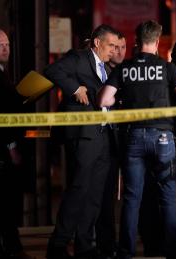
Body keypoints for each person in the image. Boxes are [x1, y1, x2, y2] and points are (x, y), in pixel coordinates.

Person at [98, 20, 176, 259]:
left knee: (132, 197)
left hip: (133, 138)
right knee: (168, 194)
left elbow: (104, 100)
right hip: (163, 137)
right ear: (157, 41)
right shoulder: (166, 68)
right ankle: (172, 250)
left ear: (137, 41)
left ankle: (126, 252)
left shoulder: (125, 68)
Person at [44, 24, 119, 259]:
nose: (114, 51)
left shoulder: (106, 68)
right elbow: (52, 70)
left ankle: (85, 245)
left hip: (104, 136)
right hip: (84, 136)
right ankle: (58, 244)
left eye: (117, 47)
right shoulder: (79, 58)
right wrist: (74, 88)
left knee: (95, 194)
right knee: (79, 189)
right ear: (97, 43)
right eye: (111, 46)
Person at [0, 29, 31, 259]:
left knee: (5, 203)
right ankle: (4, 249)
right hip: (3, 150)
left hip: (4, 148)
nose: (6, 49)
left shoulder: (1, 72)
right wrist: (12, 147)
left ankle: (6, 248)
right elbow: (2, 115)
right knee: (4, 202)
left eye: (7, 44)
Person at [95, 32, 127, 259]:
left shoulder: (126, 73)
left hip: (122, 141)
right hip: (100, 140)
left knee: (121, 196)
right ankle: (104, 243)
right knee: (102, 194)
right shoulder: (101, 70)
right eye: (115, 47)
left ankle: (112, 242)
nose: (119, 51)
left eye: (123, 47)